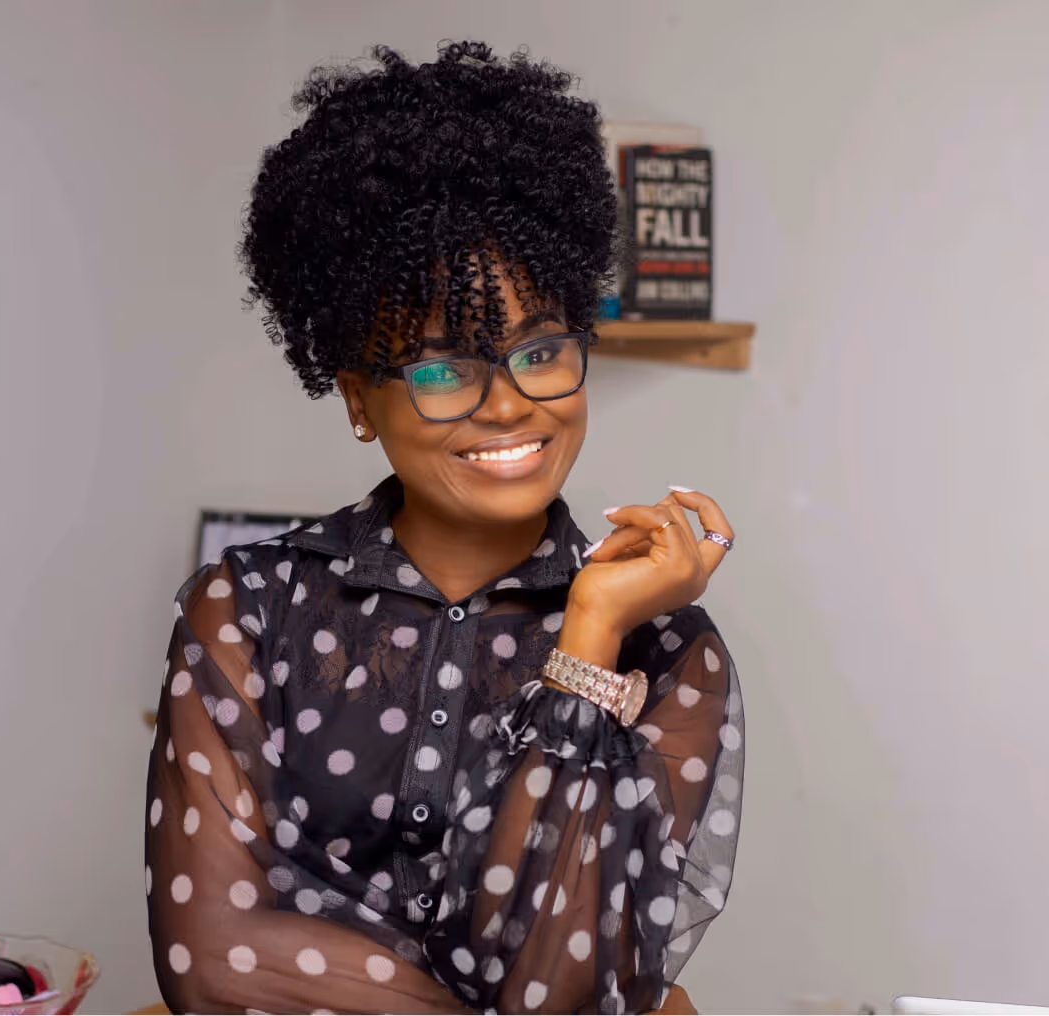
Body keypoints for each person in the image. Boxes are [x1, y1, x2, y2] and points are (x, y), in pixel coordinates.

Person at [145, 40, 742, 1015]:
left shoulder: (670, 647)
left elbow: (560, 987)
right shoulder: (248, 608)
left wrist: (588, 634)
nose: (509, 406)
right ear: (355, 398)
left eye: (541, 349)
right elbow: (211, 960)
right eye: (440, 366)